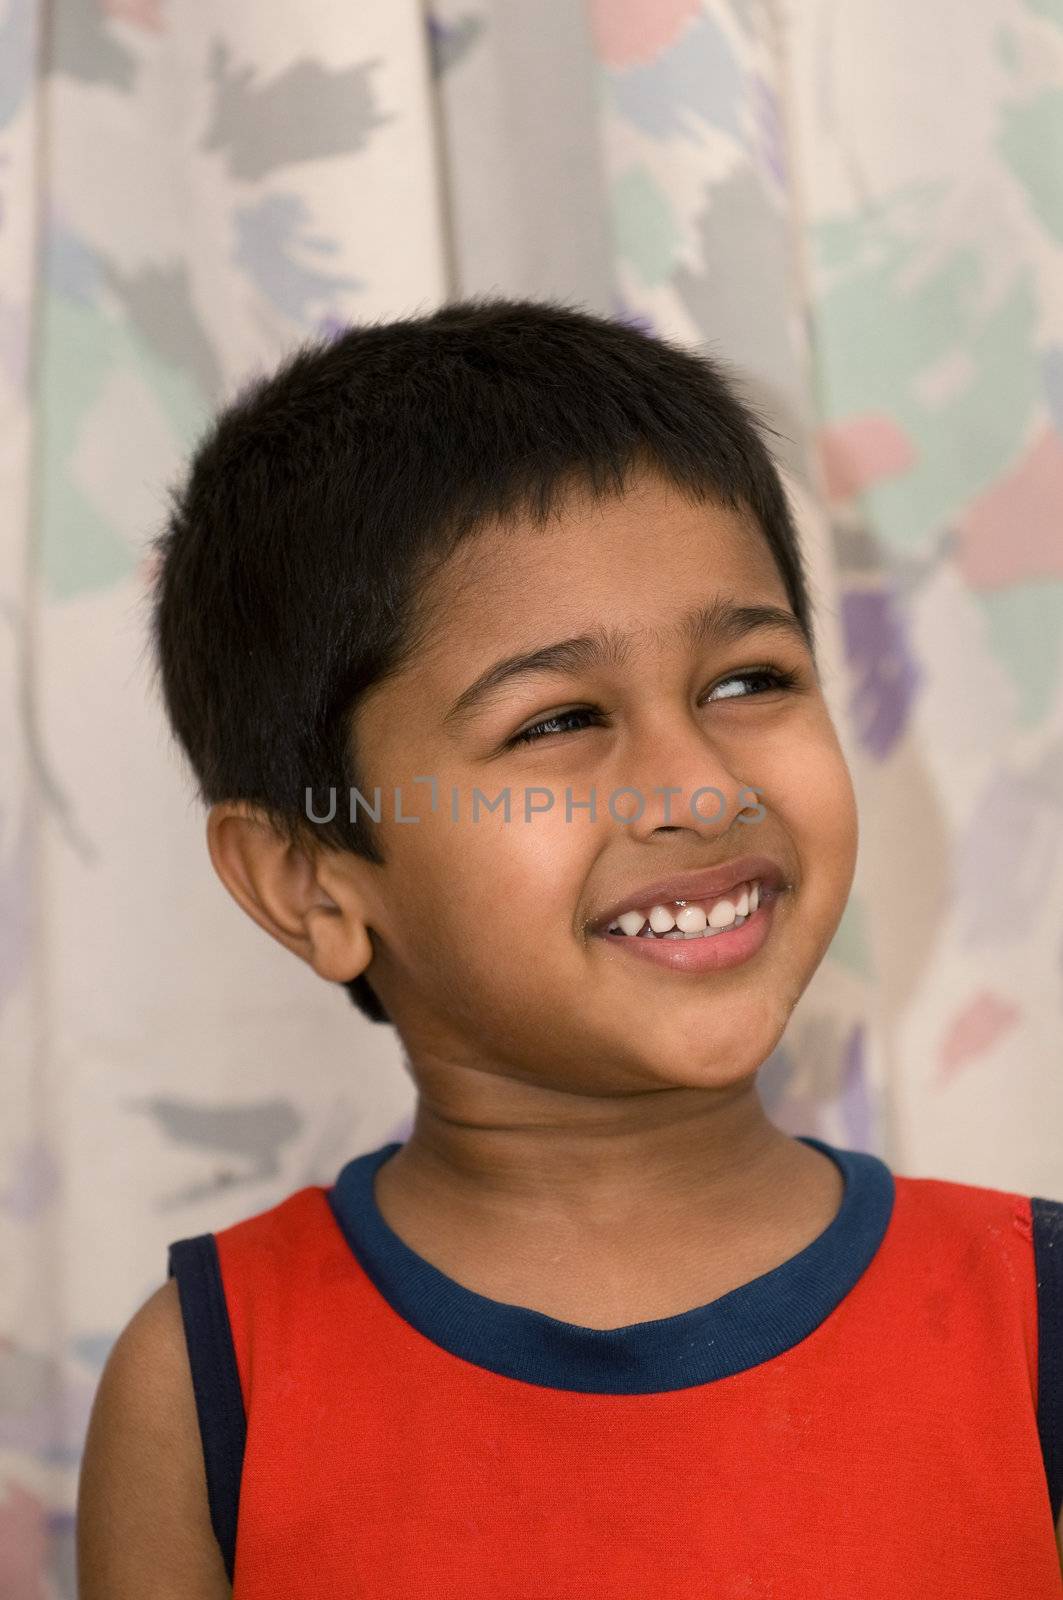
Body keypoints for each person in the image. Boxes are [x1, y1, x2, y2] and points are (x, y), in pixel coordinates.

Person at [76, 295, 1063, 1598]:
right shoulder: (210, 1388)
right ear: (314, 885)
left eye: (749, 682)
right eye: (556, 723)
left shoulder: (1035, 1325)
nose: (699, 787)